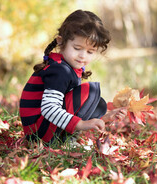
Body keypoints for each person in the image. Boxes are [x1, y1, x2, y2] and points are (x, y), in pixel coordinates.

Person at [19, 9, 126, 144]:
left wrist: (104, 117)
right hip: (38, 134)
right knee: (89, 92)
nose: (83, 55)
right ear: (60, 42)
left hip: (40, 129)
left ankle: (66, 138)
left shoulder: (65, 67)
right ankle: (66, 141)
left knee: (98, 103)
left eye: (90, 51)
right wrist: (81, 124)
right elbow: (49, 108)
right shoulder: (60, 70)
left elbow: (68, 106)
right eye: (77, 48)